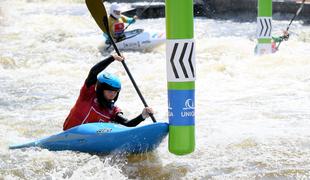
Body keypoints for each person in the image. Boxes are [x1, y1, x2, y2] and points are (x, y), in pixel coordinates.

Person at [63, 54, 153, 130]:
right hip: (68, 134)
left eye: (115, 92)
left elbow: (127, 123)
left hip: (89, 141)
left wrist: (142, 116)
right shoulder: (87, 95)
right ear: (101, 89)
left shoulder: (113, 110)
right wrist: (112, 58)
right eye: (110, 91)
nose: (113, 94)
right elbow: (93, 72)